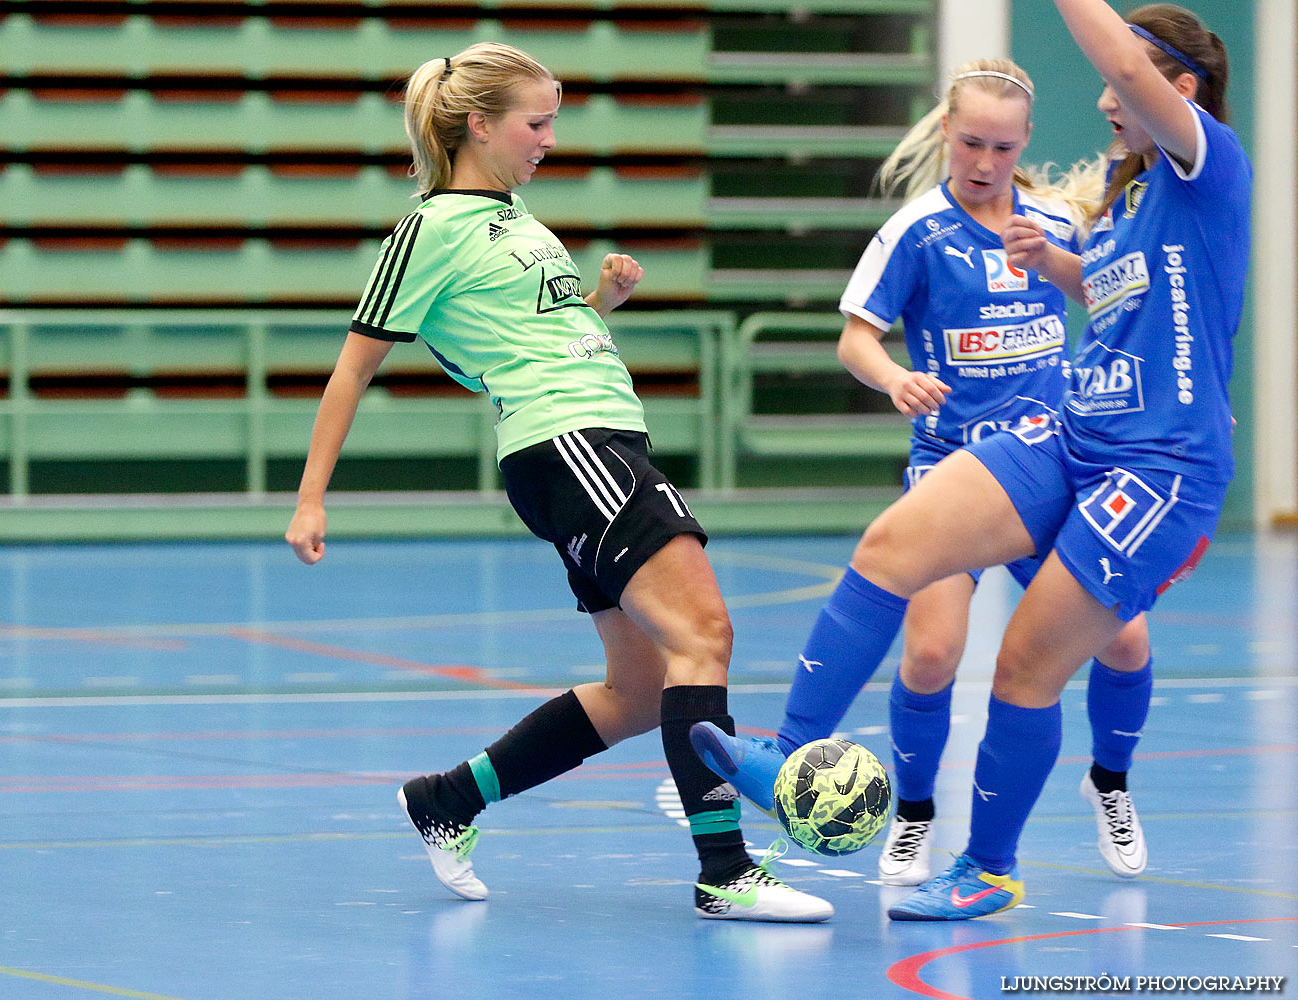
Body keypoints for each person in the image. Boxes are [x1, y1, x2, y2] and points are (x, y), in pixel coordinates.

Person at [692, 0, 1247, 920]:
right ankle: (788, 754)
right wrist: (1061, 269)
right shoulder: (1126, 187)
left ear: (1176, 90)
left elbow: (1127, 61)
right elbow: (1114, 296)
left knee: (1027, 665)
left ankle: (988, 865)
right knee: (891, 548)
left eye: (1125, 86)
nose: (1109, 100)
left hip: (1160, 469)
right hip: (1074, 431)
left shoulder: (1207, 164)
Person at [285, 42, 831, 922]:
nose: (548, 139)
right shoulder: (429, 228)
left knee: (643, 692)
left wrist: (599, 301)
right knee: (707, 636)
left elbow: (531, 332)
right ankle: (726, 872)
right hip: (570, 445)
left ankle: (448, 798)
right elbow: (353, 368)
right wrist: (312, 497)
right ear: (479, 124)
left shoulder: (517, 219)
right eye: (536, 123)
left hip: (594, 443)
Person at [791, 58, 1154, 888]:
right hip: (955, 470)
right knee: (930, 658)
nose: (984, 161)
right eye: (969, 143)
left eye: (1001, 146)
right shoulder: (918, 233)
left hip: (1052, 466)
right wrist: (895, 379)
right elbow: (856, 337)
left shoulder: (1056, 222)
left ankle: (1113, 784)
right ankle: (916, 815)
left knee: (1125, 641)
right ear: (946, 134)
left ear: (1024, 143)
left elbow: (1119, 307)